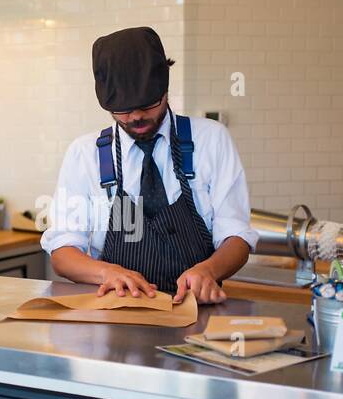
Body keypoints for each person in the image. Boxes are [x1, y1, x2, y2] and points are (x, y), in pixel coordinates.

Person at [41, 27, 257, 304]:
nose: (137, 116)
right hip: (113, 317)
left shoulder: (211, 140)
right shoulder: (85, 154)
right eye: (122, 109)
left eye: (147, 103)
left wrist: (208, 270)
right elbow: (63, 252)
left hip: (196, 314)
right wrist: (107, 272)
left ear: (165, 87)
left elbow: (237, 236)